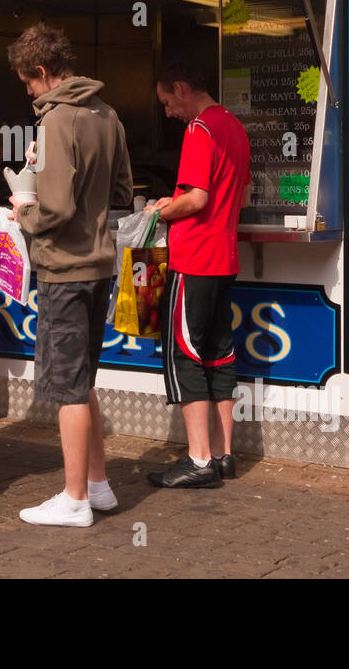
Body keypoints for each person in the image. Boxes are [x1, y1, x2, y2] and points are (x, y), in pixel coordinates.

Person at [6, 24, 132, 527]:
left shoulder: (57, 120)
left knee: (67, 387)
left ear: (41, 72)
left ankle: (75, 499)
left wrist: (23, 211)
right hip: (100, 264)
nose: (29, 93)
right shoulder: (107, 113)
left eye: (27, 83)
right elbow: (122, 191)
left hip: (63, 267)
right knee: (83, 380)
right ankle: (98, 486)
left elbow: (53, 207)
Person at [144, 61, 250, 489]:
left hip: (195, 258)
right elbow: (236, 195)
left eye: (168, 102)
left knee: (186, 356)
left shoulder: (200, 130)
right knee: (219, 352)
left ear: (183, 88)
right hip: (225, 256)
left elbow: (196, 198)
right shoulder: (235, 127)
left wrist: (159, 210)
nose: (168, 113)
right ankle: (224, 454)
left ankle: (199, 459)